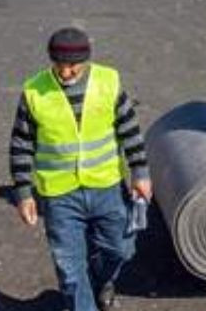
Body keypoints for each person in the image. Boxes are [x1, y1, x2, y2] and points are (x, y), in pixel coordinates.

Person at [9, 28, 152, 311]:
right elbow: (21, 144)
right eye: (60, 65)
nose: (66, 72)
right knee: (70, 272)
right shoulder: (35, 91)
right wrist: (24, 193)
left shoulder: (107, 82)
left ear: (85, 61)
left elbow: (130, 131)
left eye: (73, 65)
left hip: (106, 188)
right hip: (60, 197)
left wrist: (140, 173)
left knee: (121, 249)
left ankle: (101, 282)